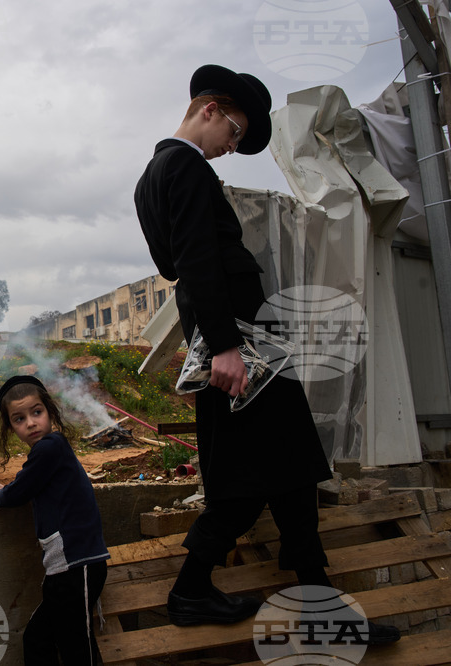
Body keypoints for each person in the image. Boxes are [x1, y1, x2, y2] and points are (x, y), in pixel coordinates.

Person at [134, 64, 398, 644]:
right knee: (260, 478)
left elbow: (176, 264)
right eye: (233, 131)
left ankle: (304, 606)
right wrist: (227, 348)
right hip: (237, 351)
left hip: (241, 346)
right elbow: (196, 261)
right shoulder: (182, 166)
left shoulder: (154, 175)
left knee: (287, 473)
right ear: (210, 108)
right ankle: (203, 592)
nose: (232, 147)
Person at [0, 375, 110, 665]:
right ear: (10, 427)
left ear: (50, 412)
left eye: (36, 412)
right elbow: (33, 480)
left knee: (78, 647)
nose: (30, 423)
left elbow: (19, 491)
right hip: (64, 569)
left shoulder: (50, 447)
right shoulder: (49, 451)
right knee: (39, 638)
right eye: (19, 418)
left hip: (79, 565)